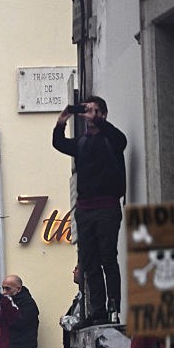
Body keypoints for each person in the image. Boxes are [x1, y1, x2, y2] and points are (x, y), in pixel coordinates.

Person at [53, 96, 127, 325]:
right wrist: (62, 120)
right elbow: (59, 143)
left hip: (107, 207)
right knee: (89, 262)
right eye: (86, 111)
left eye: (95, 111)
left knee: (108, 257)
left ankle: (113, 306)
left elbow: (121, 141)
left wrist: (100, 122)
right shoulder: (81, 143)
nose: (90, 115)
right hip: (85, 210)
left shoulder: (111, 139)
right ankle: (98, 310)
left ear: (103, 114)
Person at [1, 274, 40, 348]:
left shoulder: (28, 304)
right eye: (3, 288)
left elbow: (17, 322)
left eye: (8, 289)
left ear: (18, 289)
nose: (4, 292)